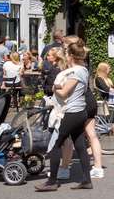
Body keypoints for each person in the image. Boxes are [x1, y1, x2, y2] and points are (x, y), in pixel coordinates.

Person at [35, 41, 93, 191]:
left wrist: (55, 88)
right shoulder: (84, 70)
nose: (66, 57)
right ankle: (86, 180)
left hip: (72, 112)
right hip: (80, 111)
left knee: (56, 145)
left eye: (67, 54)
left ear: (71, 56)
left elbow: (64, 92)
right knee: (80, 146)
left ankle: (52, 182)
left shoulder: (76, 72)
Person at [59, 36, 104, 179]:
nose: (64, 48)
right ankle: (98, 167)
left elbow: (66, 85)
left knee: (68, 138)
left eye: (65, 46)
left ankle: (64, 169)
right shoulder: (84, 60)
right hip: (89, 99)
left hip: (78, 101)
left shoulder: (72, 63)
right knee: (92, 135)